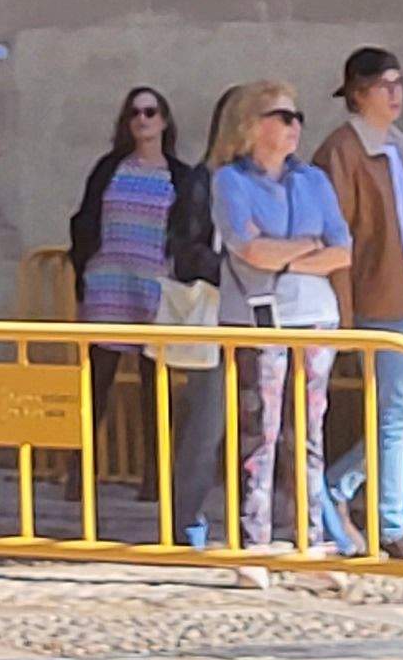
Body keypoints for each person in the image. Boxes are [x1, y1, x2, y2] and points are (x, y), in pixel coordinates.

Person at [311, 47, 403, 558]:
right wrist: (344, 313)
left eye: (399, 83)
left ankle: (340, 485)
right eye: (383, 85)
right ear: (358, 93)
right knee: (397, 410)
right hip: (377, 297)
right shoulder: (343, 150)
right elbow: (338, 236)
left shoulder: (395, 145)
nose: (395, 94)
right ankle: (392, 525)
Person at [67, 85, 220, 535]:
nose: (142, 120)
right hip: (108, 283)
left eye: (151, 112)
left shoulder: (180, 175)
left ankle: (155, 476)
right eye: (134, 113)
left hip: (156, 286)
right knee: (97, 381)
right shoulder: (109, 168)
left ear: (165, 120)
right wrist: (85, 270)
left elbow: (191, 229)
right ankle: (80, 472)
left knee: (155, 385)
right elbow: (84, 221)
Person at [214, 78, 353, 561]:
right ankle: (252, 542)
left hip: (314, 317)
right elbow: (248, 248)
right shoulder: (230, 181)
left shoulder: (313, 180)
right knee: (259, 432)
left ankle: (308, 540)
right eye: (283, 116)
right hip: (258, 317)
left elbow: (342, 250)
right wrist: (306, 247)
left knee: (309, 434)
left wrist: (285, 256)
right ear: (252, 124)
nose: (295, 126)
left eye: (298, 117)